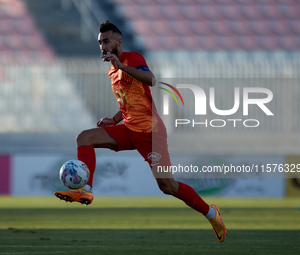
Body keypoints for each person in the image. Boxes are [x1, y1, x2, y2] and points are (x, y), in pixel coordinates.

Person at [55, 20, 227, 242]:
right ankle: (86, 189)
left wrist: (122, 67)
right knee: (84, 137)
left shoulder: (132, 59)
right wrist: (114, 118)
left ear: (119, 41)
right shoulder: (112, 71)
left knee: (168, 186)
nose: (103, 46)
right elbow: (127, 100)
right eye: (100, 42)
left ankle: (212, 214)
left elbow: (151, 80)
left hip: (150, 133)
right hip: (128, 128)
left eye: (106, 41)